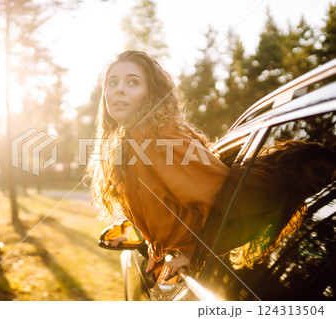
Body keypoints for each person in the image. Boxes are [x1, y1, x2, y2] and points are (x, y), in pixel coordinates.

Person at [86, 50, 229, 280]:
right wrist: (158, 246)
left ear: (151, 93)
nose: (119, 89)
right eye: (112, 82)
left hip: (217, 273)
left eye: (133, 82)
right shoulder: (129, 140)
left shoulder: (160, 138)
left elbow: (228, 200)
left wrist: (196, 253)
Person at [193, 140, 336, 271]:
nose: (321, 184)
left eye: (326, 181)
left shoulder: (281, 203)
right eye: (317, 171)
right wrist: (194, 254)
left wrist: (194, 255)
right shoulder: (269, 189)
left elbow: (220, 235)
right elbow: (215, 217)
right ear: (298, 163)